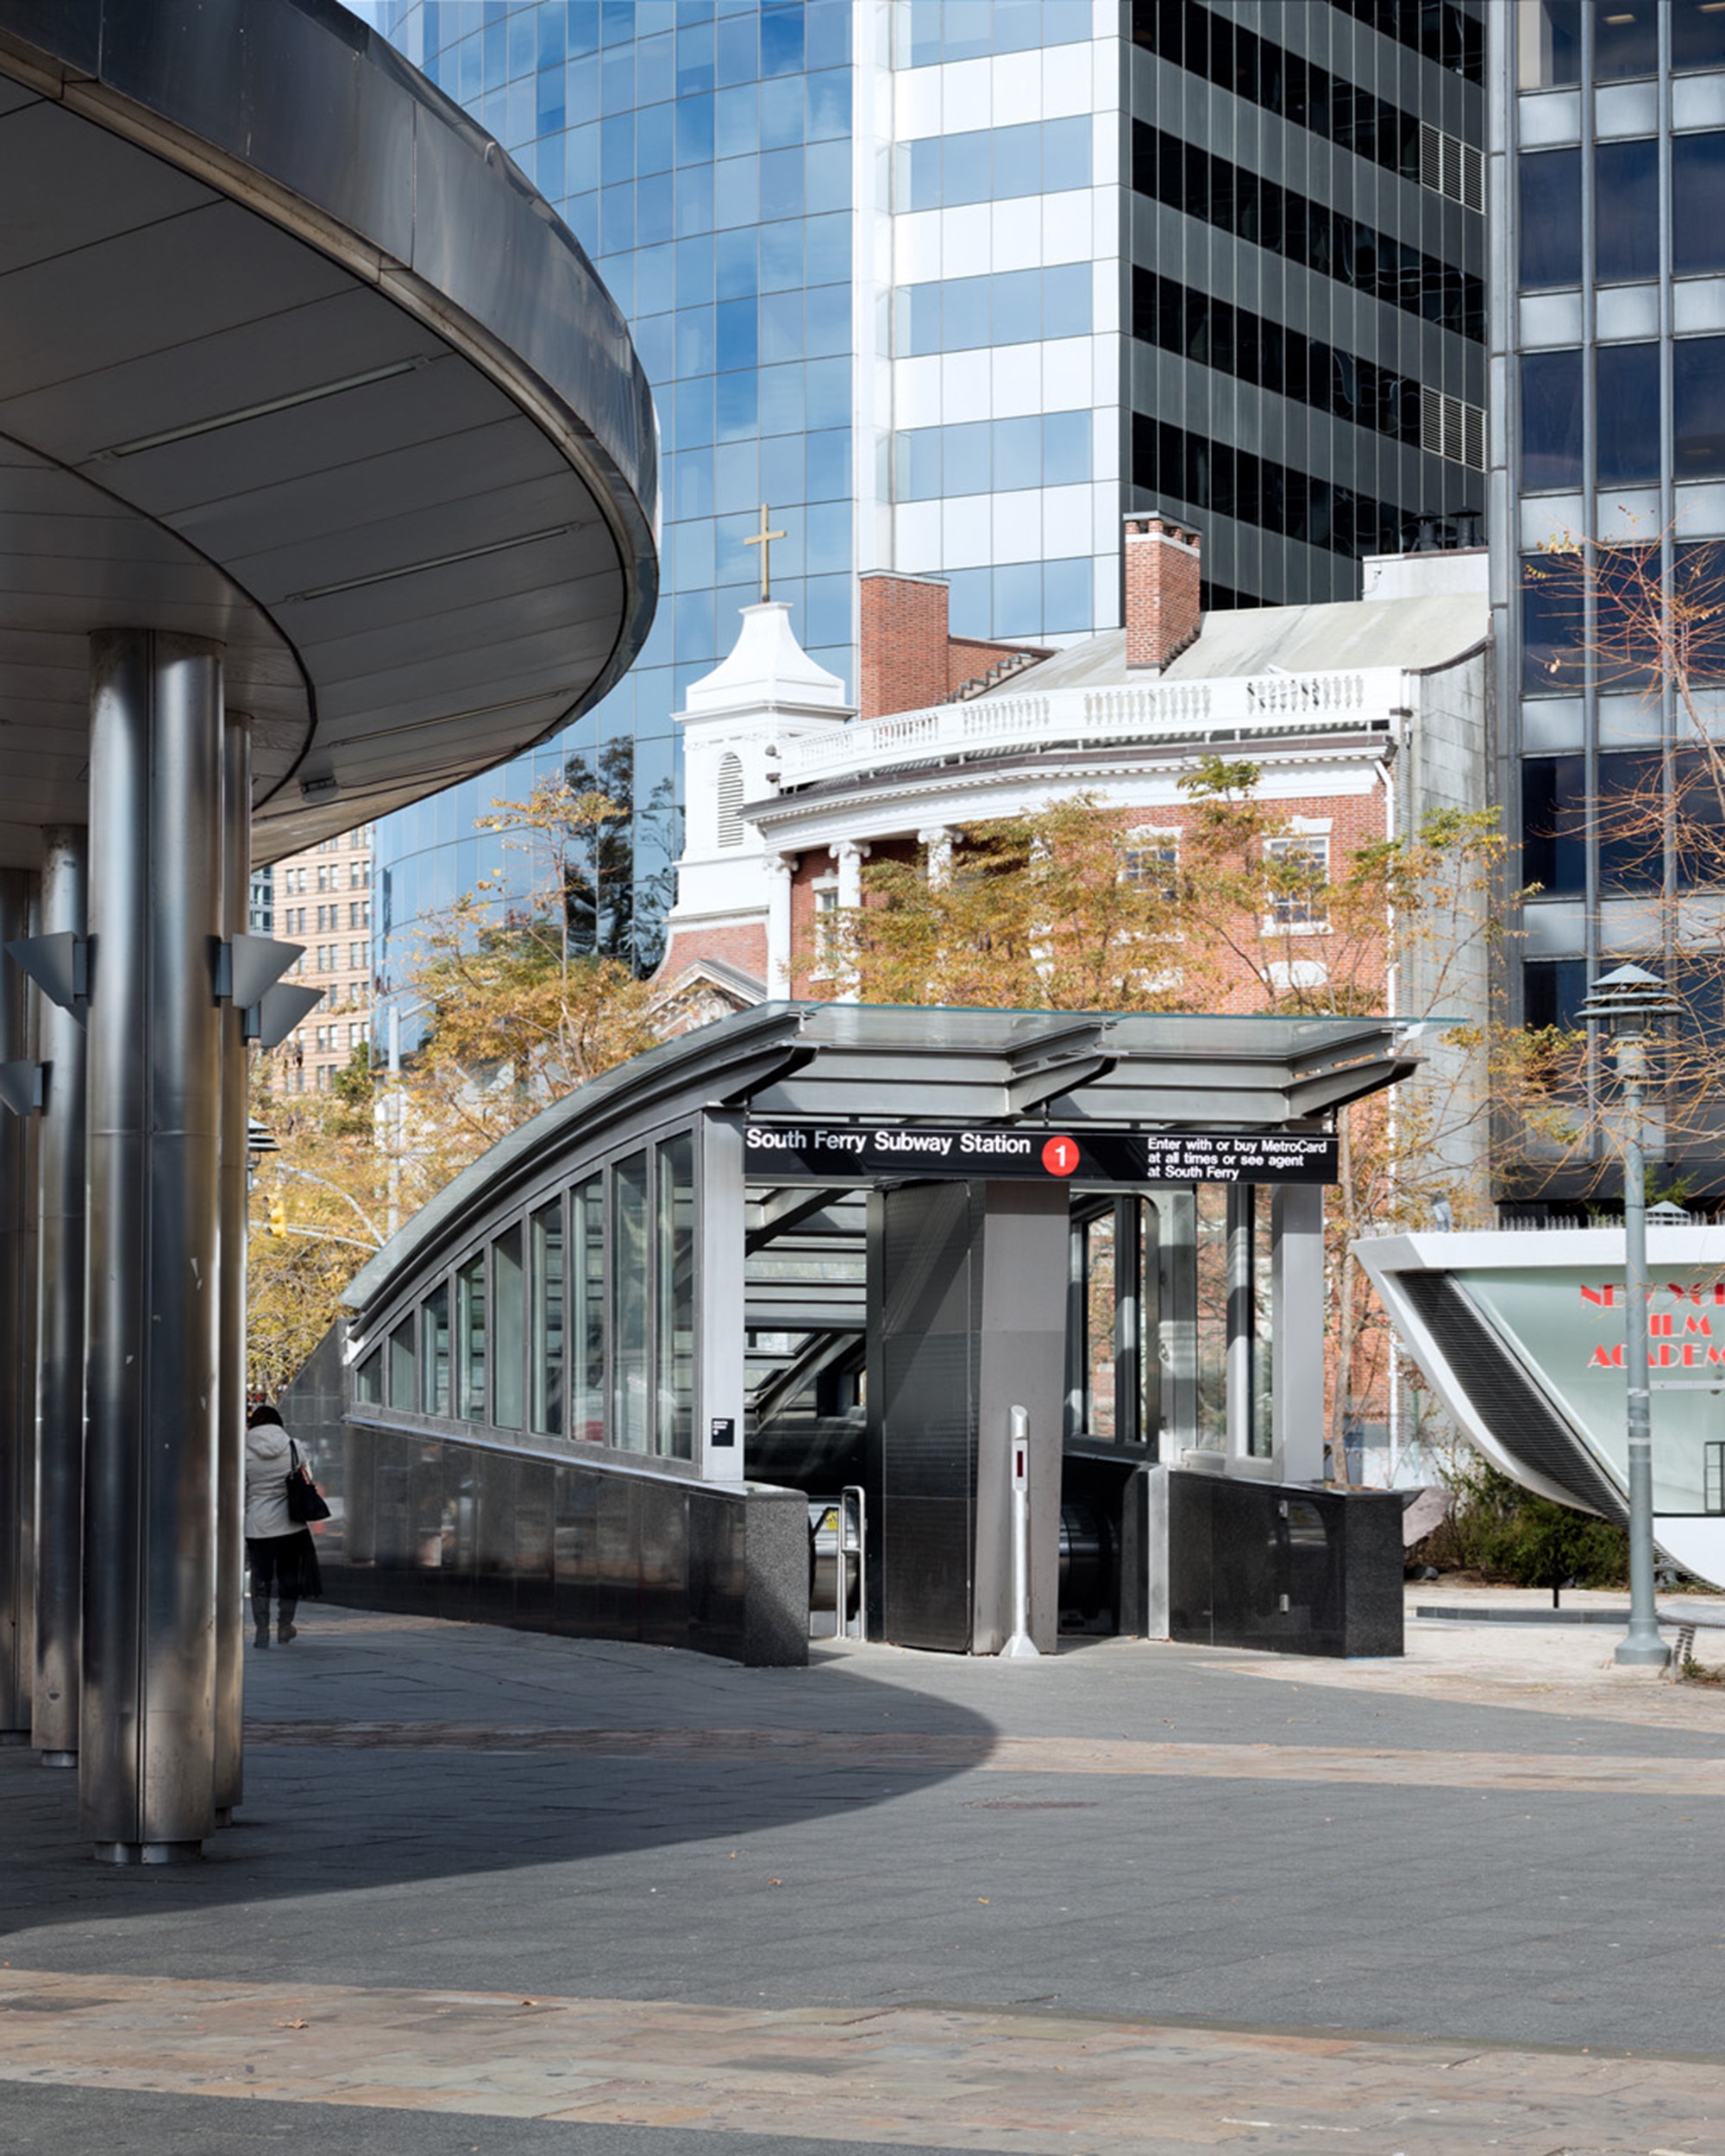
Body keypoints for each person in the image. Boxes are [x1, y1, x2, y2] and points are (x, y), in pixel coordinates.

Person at [244, 1402, 323, 1646]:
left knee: (260, 1577)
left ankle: (261, 1630)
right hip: (291, 1525)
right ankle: (285, 1625)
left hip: (258, 1524)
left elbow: (240, 1488)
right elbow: (308, 1479)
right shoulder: (293, 1446)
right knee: (289, 1578)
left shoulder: (243, 1450)